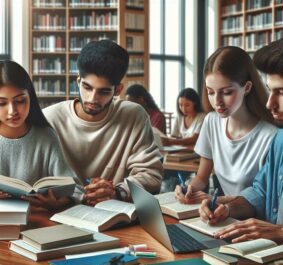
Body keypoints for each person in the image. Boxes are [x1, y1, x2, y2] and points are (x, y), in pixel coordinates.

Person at [199, 34, 283, 245]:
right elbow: (260, 192)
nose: (270, 103)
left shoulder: (272, 133)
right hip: (275, 255)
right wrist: (228, 208)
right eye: (271, 90)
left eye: (282, 92)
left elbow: (282, 231)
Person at [43, 40, 163, 206]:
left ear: (118, 90)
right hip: (60, 211)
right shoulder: (49, 118)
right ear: (78, 82)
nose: (93, 99)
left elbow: (151, 174)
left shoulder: (134, 116)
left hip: (115, 215)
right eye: (87, 87)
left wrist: (118, 192)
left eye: (104, 91)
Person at [176, 46, 277, 204]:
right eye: (210, 92)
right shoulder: (211, 121)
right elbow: (202, 178)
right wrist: (188, 188)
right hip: (225, 216)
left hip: (257, 222)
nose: (217, 102)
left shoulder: (270, 135)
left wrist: (218, 201)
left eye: (227, 92)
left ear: (247, 88)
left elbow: (267, 199)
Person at [0, 60, 76, 211]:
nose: (12, 111)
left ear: (31, 98)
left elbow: (72, 187)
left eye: (20, 101)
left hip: (38, 220)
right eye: (1, 103)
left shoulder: (46, 136)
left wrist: (60, 202)